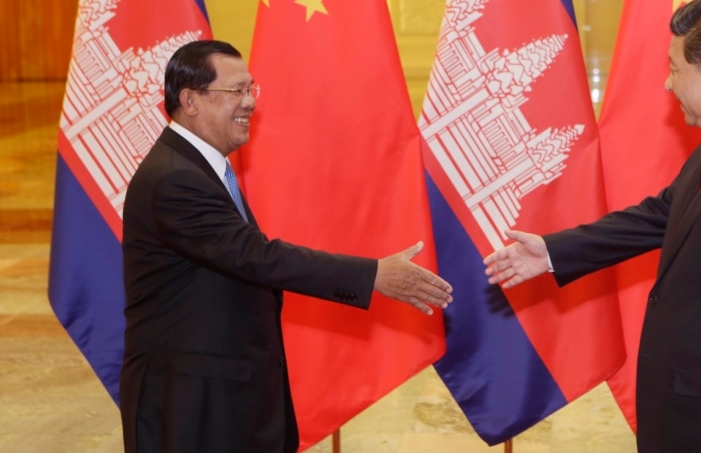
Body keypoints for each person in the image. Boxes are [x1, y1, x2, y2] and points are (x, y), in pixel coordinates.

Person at [484, 0, 701, 453]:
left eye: (674, 69)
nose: (668, 85)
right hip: (696, 415)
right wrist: (552, 252)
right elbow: (659, 216)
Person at [119, 40, 453, 453]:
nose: (250, 103)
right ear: (190, 100)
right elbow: (257, 256)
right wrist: (373, 276)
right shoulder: (174, 178)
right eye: (236, 92)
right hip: (193, 402)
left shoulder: (200, 167)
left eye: (252, 90)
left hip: (225, 394)